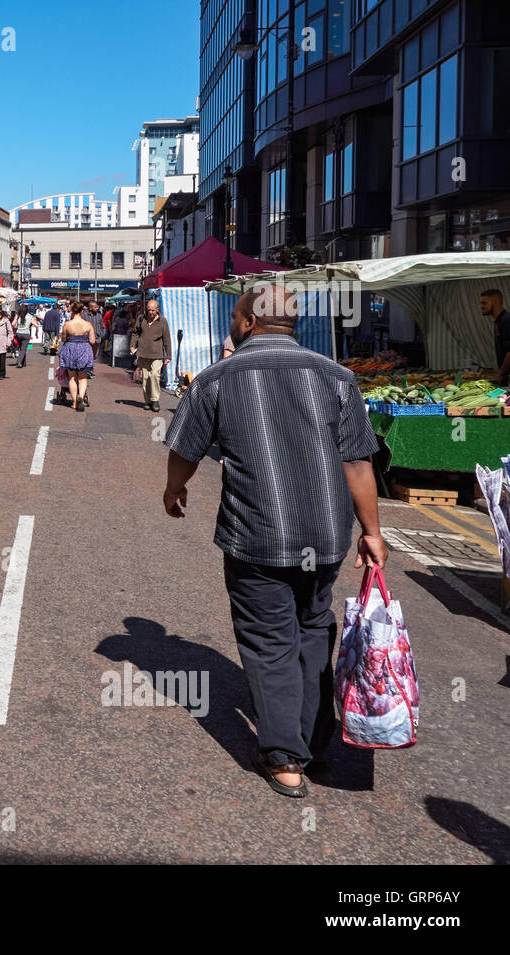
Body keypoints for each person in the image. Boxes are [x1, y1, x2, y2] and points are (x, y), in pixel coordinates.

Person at [162, 284, 385, 799]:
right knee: (312, 631)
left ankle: (285, 758)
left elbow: (186, 448)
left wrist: (175, 490)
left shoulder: (218, 379)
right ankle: (314, 741)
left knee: (268, 641)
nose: (232, 327)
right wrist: (372, 533)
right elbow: (357, 462)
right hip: (325, 534)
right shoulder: (336, 378)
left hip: (256, 534)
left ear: (246, 323)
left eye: (235, 318)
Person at [131, 298, 172, 412]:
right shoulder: (141, 319)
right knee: (145, 378)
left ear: (157, 310)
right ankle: (148, 401)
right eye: (149, 310)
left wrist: (168, 355)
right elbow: (135, 333)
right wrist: (132, 345)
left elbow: (167, 339)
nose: (150, 312)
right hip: (143, 353)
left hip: (157, 354)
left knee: (154, 375)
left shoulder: (163, 321)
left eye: (153, 310)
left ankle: (155, 400)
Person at [58, 301, 97, 410]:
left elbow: (64, 339)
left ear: (72, 311)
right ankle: (81, 396)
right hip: (84, 349)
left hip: (71, 349)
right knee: (83, 377)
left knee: (72, 377)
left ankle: (74, 402)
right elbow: (93, 341)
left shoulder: (67, 324)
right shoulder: (88, 324)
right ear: (82, 311)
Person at [481, 289, 510, 384]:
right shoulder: (499, 321)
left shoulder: (506, 320)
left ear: (496, 302)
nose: (481, 307)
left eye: (484, 303)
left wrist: (500, 373)